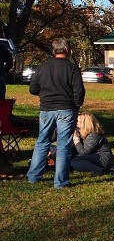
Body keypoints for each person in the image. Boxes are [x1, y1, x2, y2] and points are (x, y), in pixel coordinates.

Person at [26, 38, 86, 188]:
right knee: (64, 144)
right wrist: (77, 105)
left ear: (54, 50)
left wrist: (46, 93)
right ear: (66, 49)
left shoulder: (43, 67)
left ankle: (33, 176)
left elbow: (33, 89)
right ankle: (60, 182)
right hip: (66, 108)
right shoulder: (71, 68)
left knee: (42, 142)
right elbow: (79, 91)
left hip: (46, 109)